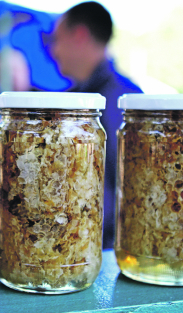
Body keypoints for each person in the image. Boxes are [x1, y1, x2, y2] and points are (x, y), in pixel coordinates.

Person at [52, 1, 143, 249]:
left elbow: (126, 188)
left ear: (79, 35)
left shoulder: (124, 102)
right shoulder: (75, 95)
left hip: (102, 250)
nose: (55, 51)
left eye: (57, 40)